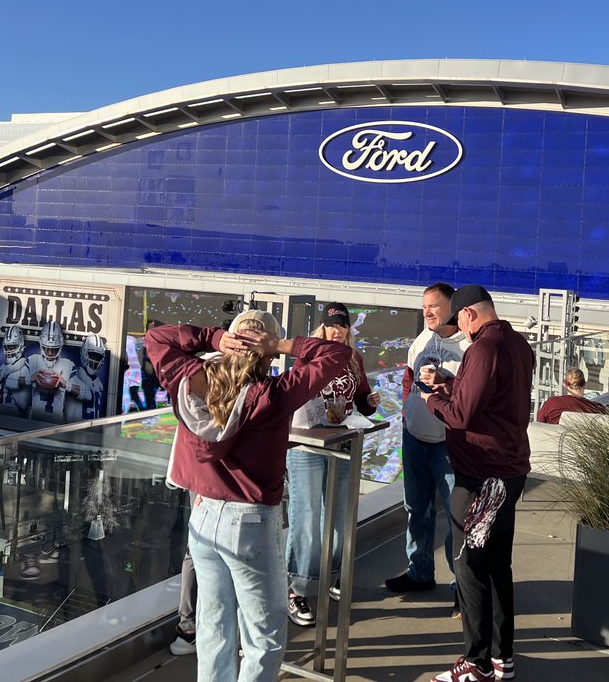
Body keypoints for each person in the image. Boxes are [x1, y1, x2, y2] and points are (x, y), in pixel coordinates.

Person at [144, 310, 353, 682]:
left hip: (205, 516)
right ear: (269, 354)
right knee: (264, 635)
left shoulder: (189, 378)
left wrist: (213, 338)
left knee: (214, 623)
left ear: (231, 341)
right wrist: (282, 344)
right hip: (251, 522)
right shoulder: (273, 395)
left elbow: (158, 337)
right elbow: (335, 355)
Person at [420, 285, 534, 682]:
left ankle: (477, 662)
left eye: (459, 321)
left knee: (469, 566)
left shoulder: (482, 350)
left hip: (483, 476)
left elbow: (463, 416)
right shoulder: (517, 344)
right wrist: (453, 386)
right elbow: (493, 401)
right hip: (510, 469)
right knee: (497, 565)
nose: (460, 330)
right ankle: (503, 657)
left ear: (468, 314)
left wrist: (431, 399)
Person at [285, 303, 380, 627]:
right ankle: (297, 588)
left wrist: (370, 403)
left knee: (340, 516)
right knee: (307, 518)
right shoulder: (309, 354)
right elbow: (292, 392)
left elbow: (362, 401)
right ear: (322, 328)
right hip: (307, 446)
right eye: (331, 325)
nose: (336, 330)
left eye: (342, 325)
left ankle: (332, 575)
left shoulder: (354, 359)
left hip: (342, 443)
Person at [384, 283, 468, 621]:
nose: (428, 312)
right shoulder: (422, 340)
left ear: (454, 307)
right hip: (415, 438)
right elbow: (409, 377)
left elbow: (474, 394)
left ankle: (463, 588)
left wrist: (447, 377)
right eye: (424, 307)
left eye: (434, 306)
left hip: (447, 444)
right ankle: (419, 571)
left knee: (456, 517)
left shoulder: (469, 345)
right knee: (415, 509)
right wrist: (407, 412)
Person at [536, 368, 607, 424]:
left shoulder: (551, 403)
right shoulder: (597, 408)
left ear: (565, 384)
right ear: (584, 384)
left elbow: (539, 425)